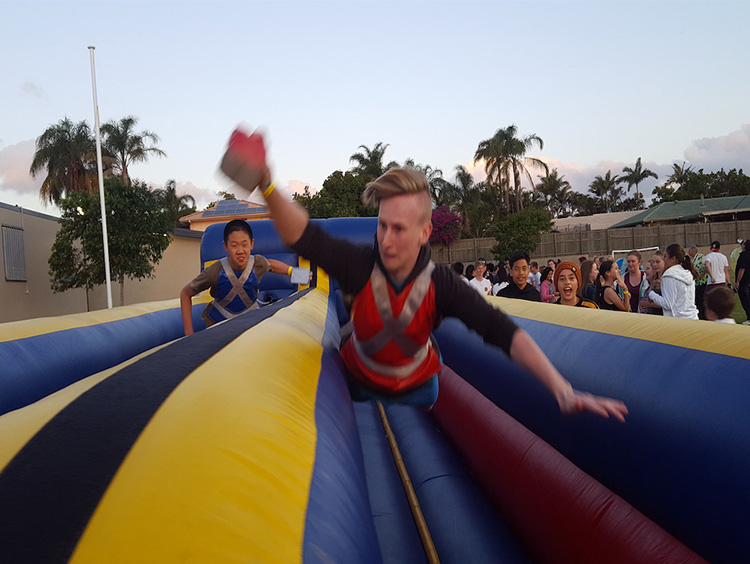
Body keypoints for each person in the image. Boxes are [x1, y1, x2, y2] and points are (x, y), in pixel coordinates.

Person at [220, 128, 626, 420]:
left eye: (399, 229)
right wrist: (268, 185)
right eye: (382, 226)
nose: (387, 239)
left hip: (420, 386)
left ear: (424, 232)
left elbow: (502, 330)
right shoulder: (360, 265)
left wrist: (561, 387)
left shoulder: (441, 284)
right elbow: (306, 238)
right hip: (361, 379)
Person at [180, 219, 297, 336]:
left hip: (248, 325)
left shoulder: (257, 263)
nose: (240, 251)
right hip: (218, 327)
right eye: (234, 245)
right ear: (225, 246)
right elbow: (185, 293)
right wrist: (189, 333)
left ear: (252, 244)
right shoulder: (215, 271)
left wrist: (296, 273)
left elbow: (271, 264)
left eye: (244, 244)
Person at [645, 244, 699, 319]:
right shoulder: (688, 273)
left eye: (665, 257)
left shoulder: (669, 275)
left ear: (673, 259)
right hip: (692, 318)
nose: (664, 260)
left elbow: (668, 304)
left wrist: (651, 294)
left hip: (677, 322)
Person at [688, 245, 709, 319]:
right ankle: (700, 314)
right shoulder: (693, 259)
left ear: (693, 251)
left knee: (701, 299)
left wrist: (703, 275)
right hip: (696, 282)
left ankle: (703, 315)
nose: (688, 253)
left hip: (702, 282)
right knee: (697, 300)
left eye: (689, 251)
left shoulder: (701, 257)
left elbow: (707, 266)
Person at [734, 239, 750, 324]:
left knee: (745, 300)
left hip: (744, 282)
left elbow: (742, 269)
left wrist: (738, 281)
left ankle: (749, 317)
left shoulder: (743, 256)